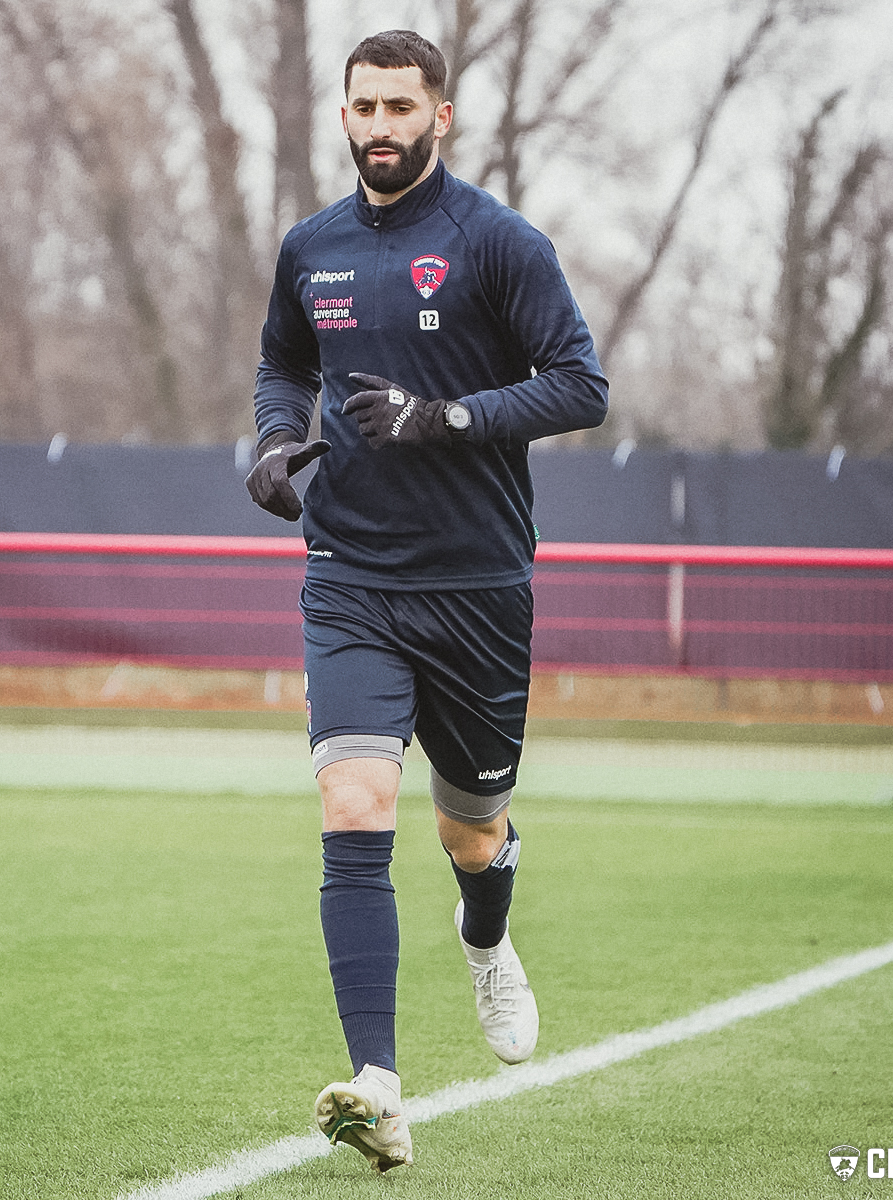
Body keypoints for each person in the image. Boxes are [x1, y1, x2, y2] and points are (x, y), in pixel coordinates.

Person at [245, 30, 607, 1172]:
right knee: (353, 804)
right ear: (342, 115)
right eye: (363, 106)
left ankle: (487, 937)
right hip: (350, 576)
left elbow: (580, 384)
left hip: (480, 587)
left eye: (401, 105)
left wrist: (445, 417)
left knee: (469, 829)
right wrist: (269, 442)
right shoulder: (312, 247)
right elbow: (279, 365)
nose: (380, 125)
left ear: (440, 116)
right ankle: (378, 1086)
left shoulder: (497, 242)